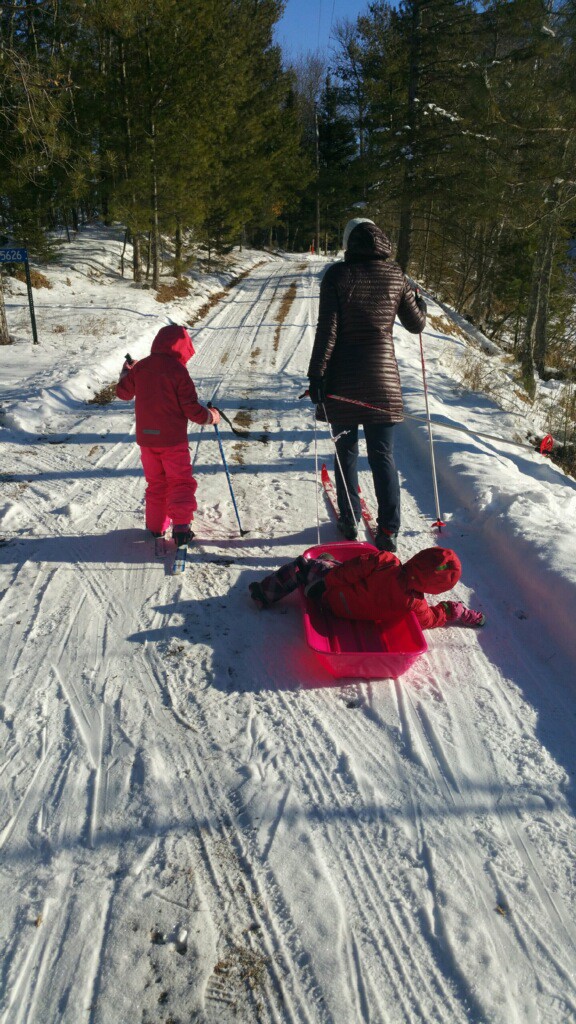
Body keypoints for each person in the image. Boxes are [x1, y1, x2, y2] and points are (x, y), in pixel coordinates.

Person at [307, 217, 427, 553]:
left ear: (348, 243)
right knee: (383, 456)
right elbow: (416, 325)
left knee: (346, 452)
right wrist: (422, 305)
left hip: (342, 384)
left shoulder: (337, 275)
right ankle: (389, 529)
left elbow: (326, 331)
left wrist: (316, 375)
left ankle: (349, 520)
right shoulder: (396, 275)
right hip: (382, 384)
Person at [116, 324, 219, 546]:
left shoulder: (141, 367)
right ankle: (181, 526)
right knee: (179, 481)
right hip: (172, 441)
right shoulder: (178, 371)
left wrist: (127, 371)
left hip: (147, 440)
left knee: (156, 483)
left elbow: (123, 392)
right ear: (183, 348)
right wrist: (211, 416)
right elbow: (192, 409)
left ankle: (156, 527)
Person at [249, 546, 485, 630]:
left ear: (419, 557)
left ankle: (264, 593)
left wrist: (325, 583)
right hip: (346, 613)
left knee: (304, 566)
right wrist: (452, 611)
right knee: (330, 562)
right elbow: (431, 619)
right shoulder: (416, 604)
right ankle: (325, 565)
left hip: (331, 597)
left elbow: (347, 572)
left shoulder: (385, 561)